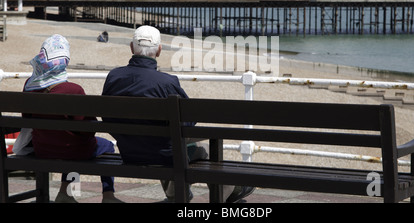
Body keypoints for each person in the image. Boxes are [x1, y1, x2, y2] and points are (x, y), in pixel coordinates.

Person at [102, 25, 254, 202]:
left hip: (129, 152)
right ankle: (228, 192)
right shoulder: (166, 82)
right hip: (163, 155)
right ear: (159, 50)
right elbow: (187, 122)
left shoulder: (114, 77)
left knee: (166, 140)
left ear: (131, 48)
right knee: (200, 149)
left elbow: (107, 118)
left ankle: (177, 195)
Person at [22, 34, 122, 203]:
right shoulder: (73, 90)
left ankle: (66, 194)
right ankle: (108, 196)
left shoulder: (30, 86)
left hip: (42, 149)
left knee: (67, 139)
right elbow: (88, 129)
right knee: (102, 146)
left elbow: (27, 119)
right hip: (73, 151)